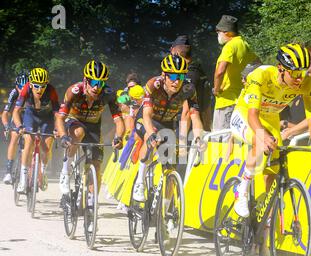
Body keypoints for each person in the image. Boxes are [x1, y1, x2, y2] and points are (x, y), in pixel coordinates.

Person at [229, 43, 311, 218]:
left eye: (303, 72)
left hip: (270, 119)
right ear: (281, 69)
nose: (300, 79)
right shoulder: (261, 75)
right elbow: (253, 116)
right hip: (245, 114)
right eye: (295, 74)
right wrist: (262, 136)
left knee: (273, 168)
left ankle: (267, 219)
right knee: (259, 141)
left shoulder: (306, 83)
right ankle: (242, 190)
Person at [131, 54, 204, 201]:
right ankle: (140, 180)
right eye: (172, 76)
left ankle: (166, 208)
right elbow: (146, 115)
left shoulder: (188, 89)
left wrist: (198, 138)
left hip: (167, 123)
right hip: (146, 119)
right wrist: (151, 134)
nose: (176, 81)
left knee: (171, 165)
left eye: (180, 77)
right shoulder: (153, 84)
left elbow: (194, 117)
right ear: (164, 75)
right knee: (152, 138)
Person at [56, 60, 125, 195]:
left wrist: (119, 138)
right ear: (85, 80)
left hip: (93, 125)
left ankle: (91, 202)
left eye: (101, 83)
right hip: (74, 120)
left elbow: (119, 121)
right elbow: (60, 117)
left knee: (97, 165)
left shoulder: (108, 94)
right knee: (79, 132)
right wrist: (63, 135)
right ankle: (65, 171)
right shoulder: (74, 91)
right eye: (93, 82)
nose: (97, 87)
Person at [13, 67, 59, 193]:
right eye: (36, 86)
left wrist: (57, 128)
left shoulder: (51, 91)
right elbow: (16, 111)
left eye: (43, 86)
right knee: (28, 141)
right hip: (30, 116)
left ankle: (43, 173)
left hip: (47, 118)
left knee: (46, 147)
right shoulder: (25, 89)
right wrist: (19, 126)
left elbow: (57, 113)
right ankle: (23, 179)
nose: (39, 89)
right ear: (31, 84)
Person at [212, 14, 259, 132]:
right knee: (236, 141)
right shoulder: (244, 44)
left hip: (226, 100)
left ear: (227, 32)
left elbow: (220, 71)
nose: (218, 35)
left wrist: (216, 89)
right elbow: (258, 64)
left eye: (219, 32)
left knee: (221, 138)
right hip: (241, 101)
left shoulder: (229, 46)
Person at [170, 35, 213, 131]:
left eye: (171, 50)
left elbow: (186, 111)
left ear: (177, 52)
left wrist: (182, 141)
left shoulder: (190, 73)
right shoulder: (195, 69)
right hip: (201, 123)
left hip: (191, 127)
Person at [2, 72, 29, 184]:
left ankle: (32, 169)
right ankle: (8, 171)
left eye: (24, 88)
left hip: (29, 117)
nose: (21, 91)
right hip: (17, 116)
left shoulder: (32, 91)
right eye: (19, 88)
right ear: (16, 86)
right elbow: (5, 113)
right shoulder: (13, 93)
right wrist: (7, 127)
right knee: (14, 136)